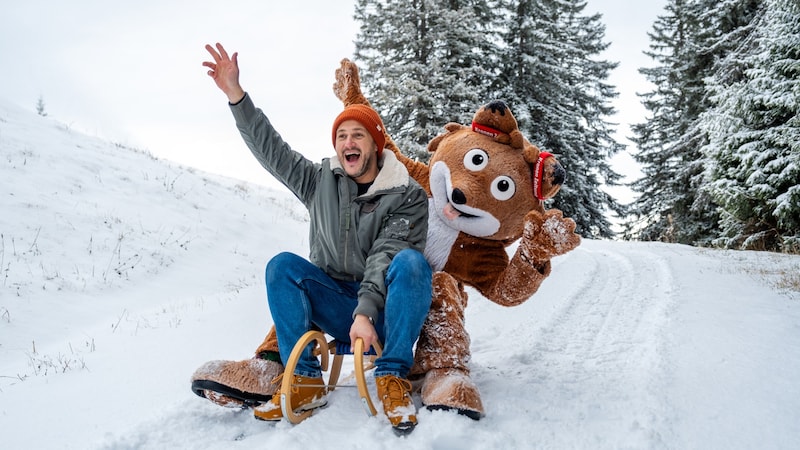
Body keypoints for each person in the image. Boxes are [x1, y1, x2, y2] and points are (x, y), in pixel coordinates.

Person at [200, 43, 432, 435]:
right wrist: (237, 97)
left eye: (358, 134)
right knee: (282, 266)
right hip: (337, 305)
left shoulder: (405, 194)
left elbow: (386, 254)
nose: (348, 143)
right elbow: (273, 152)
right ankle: (305, 380)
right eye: (341, 135)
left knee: (411, 264)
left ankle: (393, 375)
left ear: (376, 144)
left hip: (388, 314)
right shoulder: (319, 181)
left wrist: (366, 312)